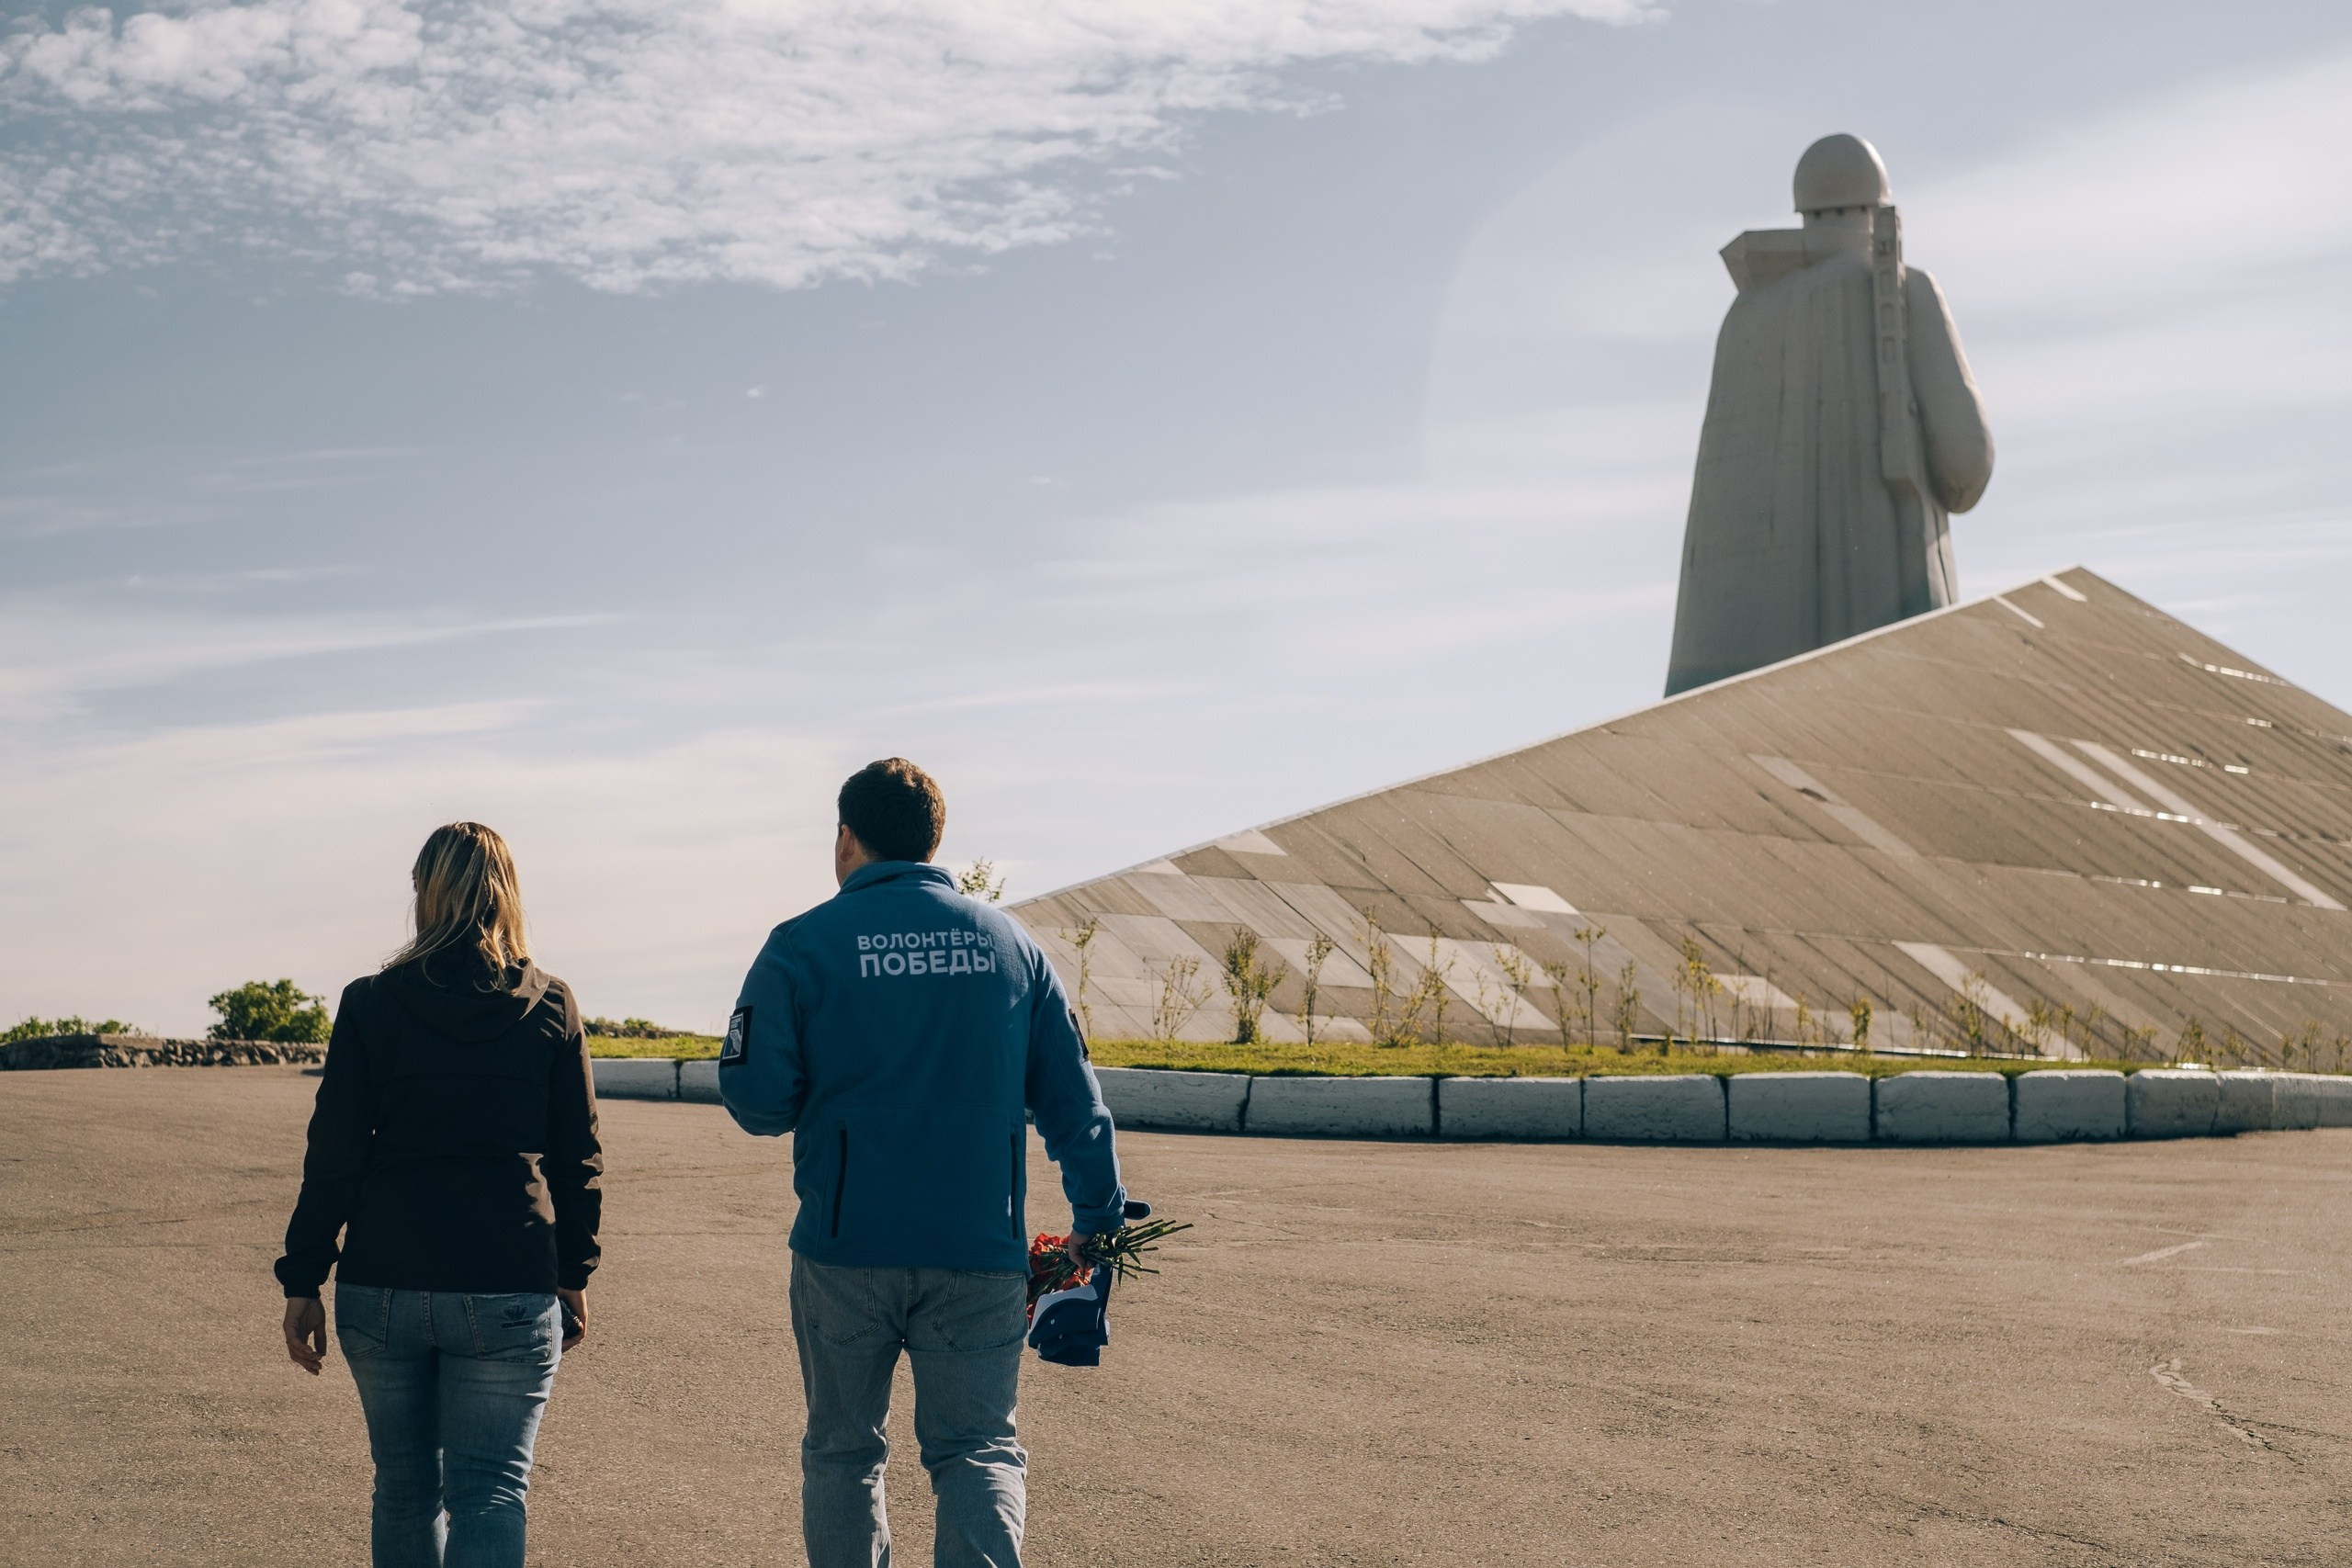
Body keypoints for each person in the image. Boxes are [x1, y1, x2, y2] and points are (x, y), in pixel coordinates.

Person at [720, 757, 1125, 1568]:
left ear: (846, 837)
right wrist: (1098, 1219)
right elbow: (1076, 1106)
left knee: (843, 1449)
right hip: (977, 1251)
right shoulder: (1013, 947)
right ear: (934, 839)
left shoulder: (801, 946)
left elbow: (758, 1100)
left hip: (845, 1248)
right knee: (978, 1448)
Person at [276, 821, 603, 1568]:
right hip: (508, 1282)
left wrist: (304, 1277)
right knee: (489, 1490)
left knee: (403, 1488)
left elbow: (334, 1152)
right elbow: (578, 1156)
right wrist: (573, 1273)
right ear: (506, 894)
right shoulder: (551, 1004)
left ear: (426, 892)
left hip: (382, 1281)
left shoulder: (370, 1003)